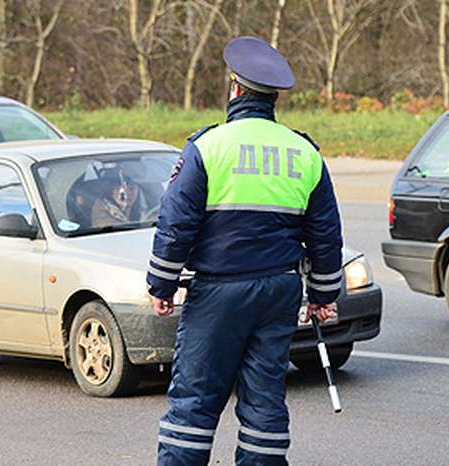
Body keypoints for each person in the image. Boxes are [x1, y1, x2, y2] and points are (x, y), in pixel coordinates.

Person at [147, 36, 343, 465]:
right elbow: (326, 233)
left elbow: (176, 223)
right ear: (274, 98)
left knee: (195, 395)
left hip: (220, 290)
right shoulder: (304, 152)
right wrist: (325, 296)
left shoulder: (208, 147)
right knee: (265, 396)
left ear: (234, 89)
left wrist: (161, 283)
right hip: (279, 291)